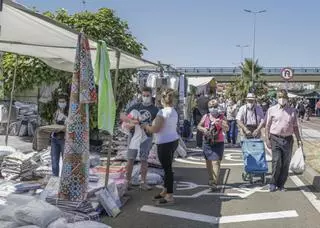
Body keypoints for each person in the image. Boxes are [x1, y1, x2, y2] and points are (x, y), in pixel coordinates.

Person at [142, 89, 179, 205]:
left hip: (164, 143)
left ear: (162, 100)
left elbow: (155, 129)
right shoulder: (173, 111)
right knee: (167, 168)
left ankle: (169, 196)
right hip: (173, 141)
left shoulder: (162, 112)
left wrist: (146, 126)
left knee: (167, 170)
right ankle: (165, 190)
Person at [120, 87, 159, 191]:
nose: (145, 97)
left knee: (144, 159)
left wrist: (148, 126)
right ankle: (127, 182)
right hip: (133, 137)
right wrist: (131, 121)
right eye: (144, 95)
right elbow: (122, 115)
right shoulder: (136, 106)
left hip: (146, 137)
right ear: (141, 95)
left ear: (151, 96)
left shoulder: (155, 110)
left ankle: (143, 182)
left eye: (147, 96)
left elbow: (156, 125)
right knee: (130, 159)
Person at [265, 89, 302, 192]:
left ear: (287, 98)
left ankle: (281, 184)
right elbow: (267, 126)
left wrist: (299, 139)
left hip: (288, 140)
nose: (282, 99)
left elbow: (295, 127)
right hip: (275, 138)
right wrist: (267, 138)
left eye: (284, 97)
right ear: (277, 98)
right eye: (280, 97)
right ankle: (273, 183)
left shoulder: (292, 111)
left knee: (285, 163)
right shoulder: (271, 110)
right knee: (276, 162)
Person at [197, 99, 229, 191]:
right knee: (208, 161)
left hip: (218, 141)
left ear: (217, 107)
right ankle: (211, 178)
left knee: (216, 161)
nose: (213, 109)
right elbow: (199, 126)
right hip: (207, 141)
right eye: (211, 107)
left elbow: (227, 128)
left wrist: (221, 124)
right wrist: (204, 130)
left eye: (214, 107)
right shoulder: (206, 116)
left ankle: (214, 182)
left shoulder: (222, 117)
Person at [51, 94, 68, 177]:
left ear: (66, 102)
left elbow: (70, 126)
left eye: (63, 102)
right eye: (60, 102)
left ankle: (64, 179)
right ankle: (55, 179)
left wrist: (65, 118)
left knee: (66, 161)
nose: (61, 103)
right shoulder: (56, 112)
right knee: (54, 161)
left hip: (64, 139)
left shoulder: (69, 112)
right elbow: (54, 124)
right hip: (54, 138)